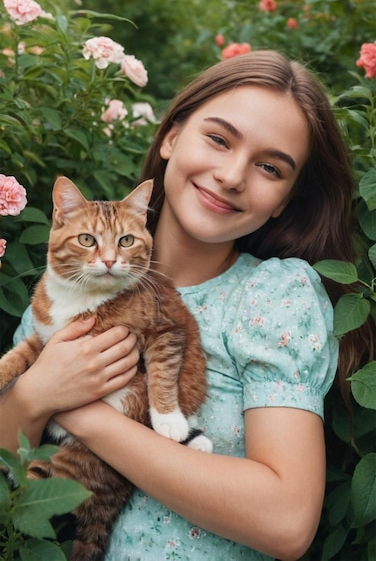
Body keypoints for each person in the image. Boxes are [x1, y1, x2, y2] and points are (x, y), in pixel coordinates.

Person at [0, 50, 372, 561]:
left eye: (270, 167)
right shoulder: (64, 286)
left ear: (284, 200)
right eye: (218, 139)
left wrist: (82, 412)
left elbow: (287, 521)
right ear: (171, 136)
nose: (233, 175)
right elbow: (7, 474)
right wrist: (31, 397)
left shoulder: (272, 297)